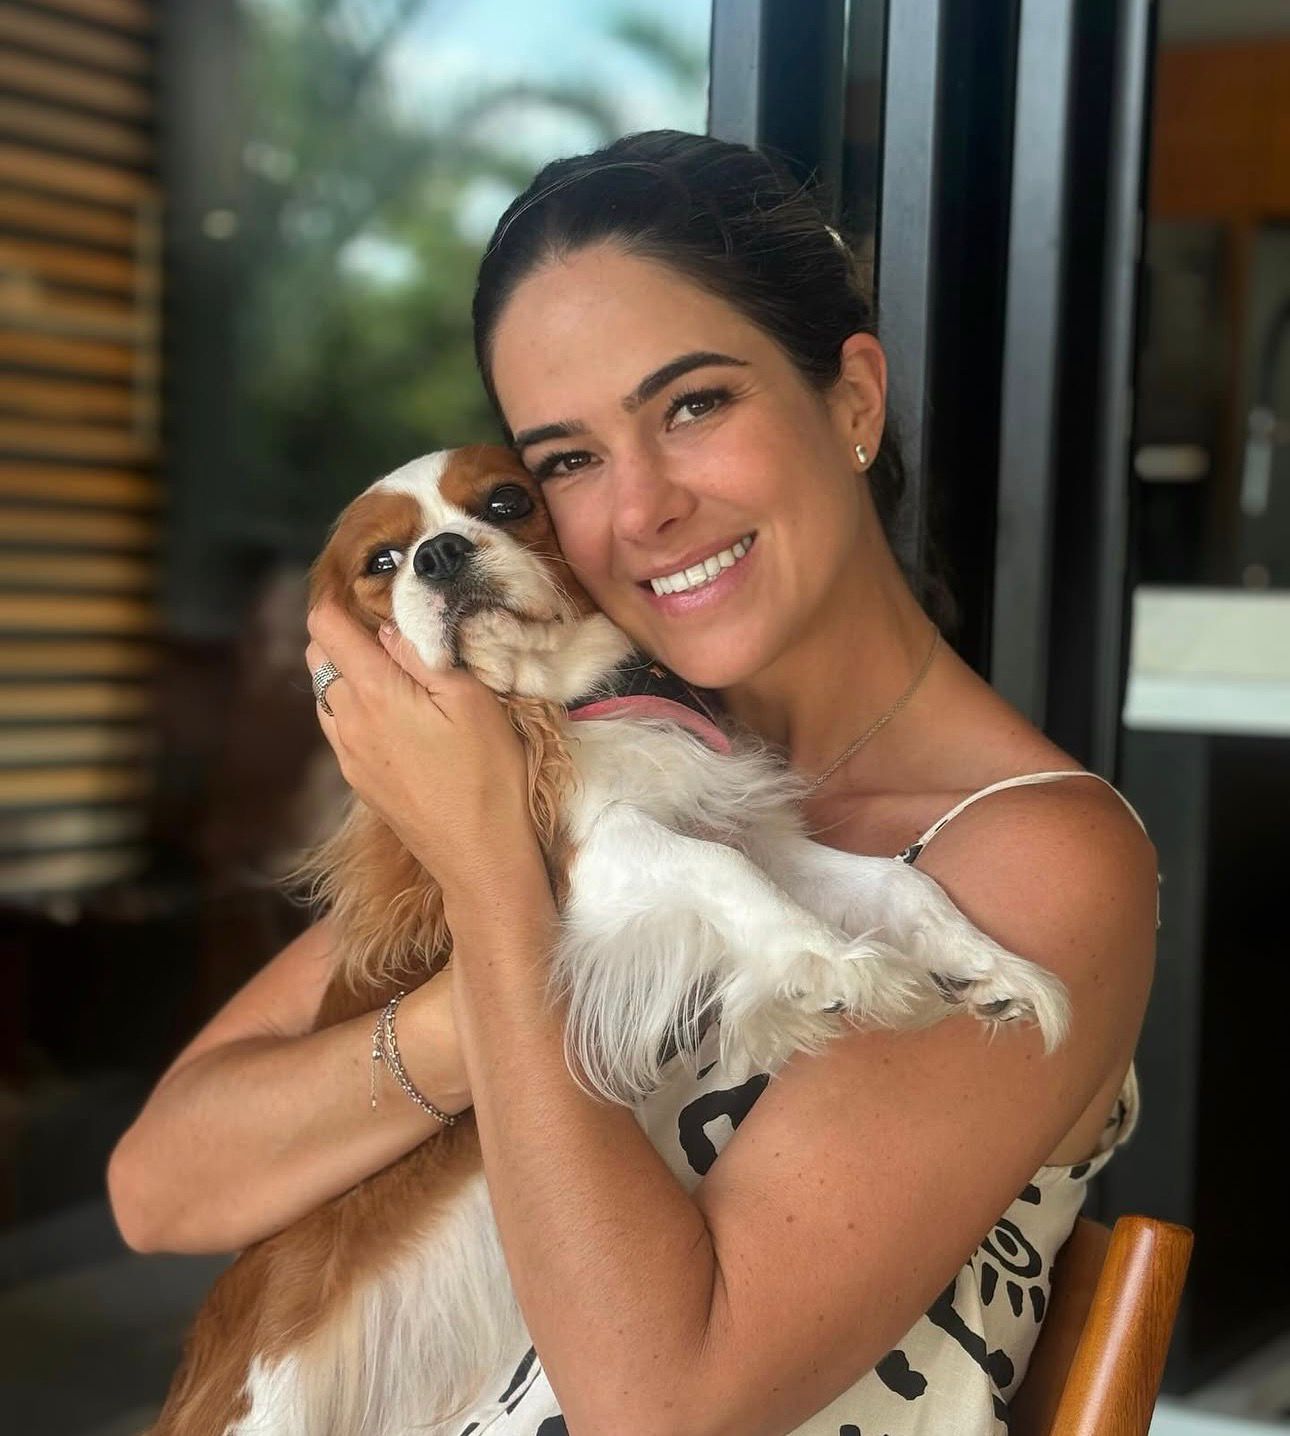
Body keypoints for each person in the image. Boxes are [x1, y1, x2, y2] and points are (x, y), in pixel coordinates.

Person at [108, 130, 1157, 1434]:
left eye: (693, 405)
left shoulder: (1030, 858)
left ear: (850, 401)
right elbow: (162, 1188)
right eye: (566, 460)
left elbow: (656, 1403)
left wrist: (499, 896)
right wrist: (497, 974)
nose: (642, 508)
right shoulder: (591, 777)